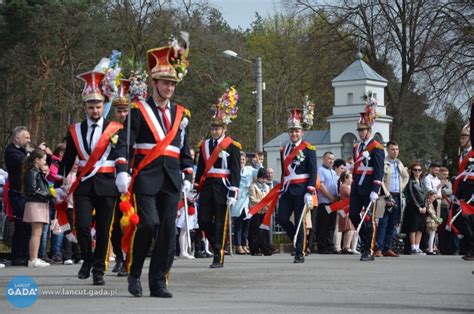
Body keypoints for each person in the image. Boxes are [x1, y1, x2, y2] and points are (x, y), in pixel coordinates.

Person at [114, 36, 194, 297]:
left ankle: (158, 281)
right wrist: (122, 170)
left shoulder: (182, 114)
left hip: (171, 179)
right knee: (148, 225)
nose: (169, 88)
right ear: (154, 83)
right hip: (146, 177)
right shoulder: (138, 110)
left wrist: (188, 173)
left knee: (168, 232)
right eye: (165, 83)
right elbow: (124, 144)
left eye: (172, 84)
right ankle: (134, 272)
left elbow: (185, 150)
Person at [59, 68, 123, 285]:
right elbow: (68, 158)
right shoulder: (74, 130)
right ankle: (87, 258)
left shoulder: (115, 129)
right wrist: (60, 182)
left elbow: (122, 154)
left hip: (107, 185)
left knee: (104, 230)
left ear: (103, 106)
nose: (94, 110)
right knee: (83, 226)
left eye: (98, 106)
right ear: (85, 107)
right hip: (84, 184)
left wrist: (124, 175)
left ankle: (98, 270)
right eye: (90, 106)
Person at [195, 86, 241, 268]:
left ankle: (218, 256)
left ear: (224, 128)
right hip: (207, 187)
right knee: (203, 220)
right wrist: (196, 185)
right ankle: (216, 245)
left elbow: (235, 170)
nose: (214, 131)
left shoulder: (232, 146)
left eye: (218, 128)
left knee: (220, 222)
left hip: (223, 186)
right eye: (213, 128)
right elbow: (200, 168)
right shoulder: (204, 145)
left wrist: (233, 191)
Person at [275, 108, 317, 263]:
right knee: (281, 218)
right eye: (291, 131)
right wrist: (281, 188)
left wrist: (310, 191)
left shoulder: (308, 149)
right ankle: (297, 238)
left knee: (300, 220)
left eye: (297, 131)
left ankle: (300, 252)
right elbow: (284, 172)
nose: (294, 134)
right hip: (287, 189)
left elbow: (313, 171)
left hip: (302, 189)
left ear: (302, 133)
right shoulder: (284, 148)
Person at [349, 93, 385, 261]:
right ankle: (365, 239)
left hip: (370, 185)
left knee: (368, 218)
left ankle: (368, 249)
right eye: (359, 130)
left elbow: (378, 169)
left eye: (362, 130)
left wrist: (376, 189)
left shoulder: (376, 147)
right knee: (353, 215)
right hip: (357, 185)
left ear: (369, 129)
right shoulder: (357, 147)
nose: (360, 133)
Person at [110, 78, 130, 277]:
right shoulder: (109, 130)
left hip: (134, 179)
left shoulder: (136, 128)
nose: (123, 114)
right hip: (112, 181)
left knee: (131, 221)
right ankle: (119, 256)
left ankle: (128, 259)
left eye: (126, 111)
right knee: (115, 224)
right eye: (119, 111)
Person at [376, 140, 409, 257]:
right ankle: (378, 248)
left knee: (392, 223)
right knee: (383, 222)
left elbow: (406, 177)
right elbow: (380, 180)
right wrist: (387, 194)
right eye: (392, 149)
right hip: (385, 195)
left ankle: (387, 248)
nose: (395, 152)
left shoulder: (399, 163)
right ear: (387, 150)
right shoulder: (383, 163)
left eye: (397, 149)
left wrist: (401, 188)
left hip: (397, 195)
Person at [4, 126, 32, 266]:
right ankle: (18, 256)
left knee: (27, 225)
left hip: (25, 193)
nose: (29, 140)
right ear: (17, 138)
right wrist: (34, 155)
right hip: (17, 194)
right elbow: (25, 163)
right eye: (26, 137)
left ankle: (25, 255)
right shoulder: (11, 152)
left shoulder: (22, 152)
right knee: (21, 224)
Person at [22, 149, 55, 267]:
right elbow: (32, 190)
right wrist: (48, 195)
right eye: (44, 160)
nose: (45, 162)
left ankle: (35, 257)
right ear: (37, 160)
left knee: (38, 232)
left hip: (39, 203)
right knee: (36, 233)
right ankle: (33, 259)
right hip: (36, 204)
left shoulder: (37, 172)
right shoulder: (33, 172)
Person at [450, 110, 474, 261]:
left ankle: (471, 248)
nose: (461, 139)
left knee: (469, 220)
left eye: (464, 136)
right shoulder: (462, 154)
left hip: (472, 189)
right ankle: (468, 246)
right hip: (462, 190)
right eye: (461, 136)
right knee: (462, 220)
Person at [232, 152, 257, 255]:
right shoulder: (233, 169)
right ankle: (238, 245)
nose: (241, 161)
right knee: (238, 224)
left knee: (246, 224)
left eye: (243, 160)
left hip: (247, 199)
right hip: (237, 199)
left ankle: (243, 244)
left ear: (246, 160)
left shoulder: (250, 169)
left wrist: (257, 163)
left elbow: (260, 172)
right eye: (240, 159)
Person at [316, 152, 339, 254]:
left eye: (333, 159)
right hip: (325, 202)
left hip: (334, 203)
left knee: (331, 225)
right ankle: (322, 246)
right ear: (323, 159)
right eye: (329, 158)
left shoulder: (333, 172)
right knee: (323, 225)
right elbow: (321, 186)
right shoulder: (320, 170)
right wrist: (330, 197)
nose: (331, 161)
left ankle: (330, 245)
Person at [403, 162, 427, 255]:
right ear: (412, 171)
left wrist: (425, 206)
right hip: (413, 207)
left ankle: (417, 247)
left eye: (419, 170)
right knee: (413, 227)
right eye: (415, 170)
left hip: (423, 207)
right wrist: (418, 207)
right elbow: (411, 195)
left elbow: (425, 195)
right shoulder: (410, 181)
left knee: (420, 228)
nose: (417, 171)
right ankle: (413, 247)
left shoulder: (422, 181)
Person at [248, 168, 272, 256]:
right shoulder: (253, 186)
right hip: (255, 211)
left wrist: (268, 203)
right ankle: (254, 250)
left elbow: (269, 197)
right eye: (263, 178)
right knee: (255, 231)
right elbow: (252, 199)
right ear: (258, 177)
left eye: (265, 178)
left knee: (264, 231)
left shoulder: (267, 186)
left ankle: (266, 248)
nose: (264, 180)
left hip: (265, 210)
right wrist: (263, 202)